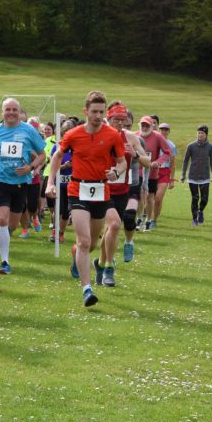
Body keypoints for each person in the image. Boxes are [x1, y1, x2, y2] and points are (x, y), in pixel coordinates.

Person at [45, 91, 126, 307]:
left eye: (101, 111)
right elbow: (57, 156)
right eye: (94, 112)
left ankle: (77, 255)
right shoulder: (74, 134)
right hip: (77, 189)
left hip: (101, 190)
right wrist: (51, 182)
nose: (98, 116)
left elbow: (121, 162)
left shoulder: (112, 135)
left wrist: (116, 173)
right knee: (84, 241)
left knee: (89, 244)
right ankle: (87, 290)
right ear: (86, 111)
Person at [0, 98, 47, 274]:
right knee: (2, 218)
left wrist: (30, 167)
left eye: (14, 110)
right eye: (7, 109)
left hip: (20, 183)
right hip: (0, 181)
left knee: (13, 224)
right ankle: (5, 262)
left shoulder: (28, 131)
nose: (11, 113)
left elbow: (42, 155)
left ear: (19, 112)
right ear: (2, 112)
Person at [102, 103, 150, 282]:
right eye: (117, 120)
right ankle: (108, 267)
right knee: (112, 226)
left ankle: (103, 261)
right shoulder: (99, 135)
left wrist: (135, 155)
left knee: (116, 225)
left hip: (125, 188)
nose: (121, 123)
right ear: (109, 118)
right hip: (102, 188)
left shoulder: (130, 138)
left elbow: (147, 162)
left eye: (124, 120)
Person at [136, 116, 172, 231]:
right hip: (138, 171)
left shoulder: (157, 136)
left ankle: (148, 220)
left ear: (152, 126)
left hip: (152, 171)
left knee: (150, 196)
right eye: (143, 125)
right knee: (139, 195)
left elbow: (167, 152)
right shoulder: (135, 135)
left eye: (147, 125)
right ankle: (139, 218)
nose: (145, 128)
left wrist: (158, 162)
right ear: (139, 125)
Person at [181, 125, 212, 226]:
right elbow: (185, 161)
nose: (200, 135)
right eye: (199, 133)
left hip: (205, 177)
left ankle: (200, 211)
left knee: (205, 199)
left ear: (206, 135)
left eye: (202, 133)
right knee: (195, 198)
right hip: (192, 177)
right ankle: (194, 219)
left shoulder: (211, 147)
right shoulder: (191, 146)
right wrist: (183, 175)